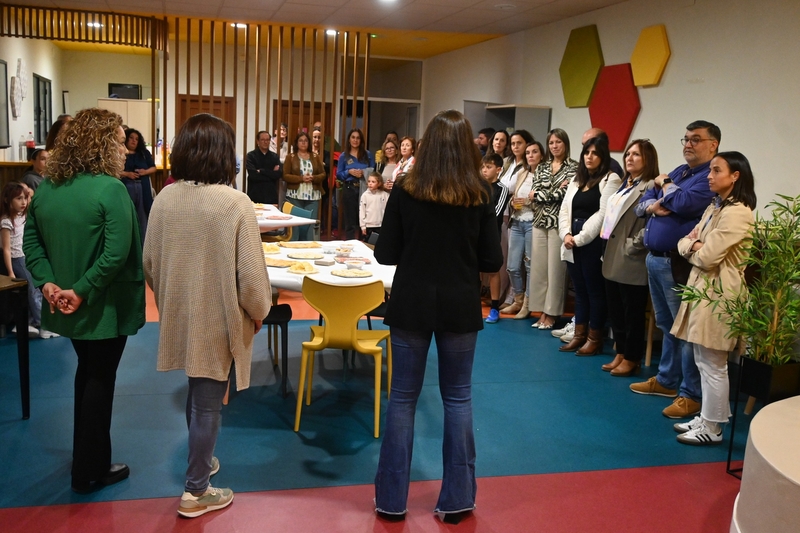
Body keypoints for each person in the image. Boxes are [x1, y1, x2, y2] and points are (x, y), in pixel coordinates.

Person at [374, 110, 503, 524]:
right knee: (458, 398)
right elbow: (491, 259)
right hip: (459, 304)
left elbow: (385, 254)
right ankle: (458, 499)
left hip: (410, 303)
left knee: (402, 400)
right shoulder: (481, 194)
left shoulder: (407, 190)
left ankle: (392, 501)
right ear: (469, 147)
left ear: (426, 145)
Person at [143, 113, 271, 518]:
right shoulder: (235, 202)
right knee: (208, 402)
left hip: (179, 311)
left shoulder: (164, 197)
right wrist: (259, 311)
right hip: (219, 314)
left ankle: (202, 461)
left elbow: (149, 262)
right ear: (224, 153)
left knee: (198, 392)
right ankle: (196, 490)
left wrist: (170, 298)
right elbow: (251, 277)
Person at [23, 107, 145, 494]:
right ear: (100, 144)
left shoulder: (48, 188)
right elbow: (117, 252)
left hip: (65, 302)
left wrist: (47, 285)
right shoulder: (110, 188)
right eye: (117, 141)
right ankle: (90, 470)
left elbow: (31, 244)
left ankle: (86, 460)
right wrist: (82, 289)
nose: (125, 149)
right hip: (103, 305)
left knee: (87, 374)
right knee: (99, 380)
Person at [630, 120, 720, 420]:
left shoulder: (707, 178)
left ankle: (689, 393)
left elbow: (682, 201)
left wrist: (664, 187)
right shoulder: (680, 172)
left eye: (696, 139)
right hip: (654, 258)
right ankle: (667, 381)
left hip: (677, 263)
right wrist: (654, 204)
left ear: (713, 145)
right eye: (686, 138)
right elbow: (641, 204)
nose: (688, 144)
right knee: (667, 325)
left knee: (685, 329)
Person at [670, 151, 757, 445]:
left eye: (716, 171)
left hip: (720, 293)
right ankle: (707, 417)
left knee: (713, 362)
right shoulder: (714, 207)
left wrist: (694, 246)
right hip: (702, 289)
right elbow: (683, 241)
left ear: (735, 176)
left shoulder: (738, 212)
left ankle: (714, 428)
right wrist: (693, 245)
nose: (709, 175)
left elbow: (707, 257)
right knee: (701, 358)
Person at [599, 139, 659, 375]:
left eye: (636, 155)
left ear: (648, 160)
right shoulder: (625, 183)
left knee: (631, 312)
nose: (630, 158)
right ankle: (621, 352)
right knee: (615, 310)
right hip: (611, 254)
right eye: (628, 154)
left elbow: (652, 223)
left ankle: (631, 357)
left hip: (631, 257)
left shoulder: (651, 186)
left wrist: (631, 245)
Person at [558, 135, 621, 355]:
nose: (589, 157)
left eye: (594, 153)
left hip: (592, 242)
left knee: (594, 291)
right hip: (571, 240)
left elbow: (603, 214)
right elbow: (565, 209)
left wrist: (579, 238)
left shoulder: (610, 179)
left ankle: (594, 338)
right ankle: (579, 334)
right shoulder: (578, 179)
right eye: (586, 152)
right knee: (579, 291)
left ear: (603, 156)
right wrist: (566, 233)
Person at [529, 129, 577, 329]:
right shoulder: (542, 167)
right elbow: (534, 191)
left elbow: (565, 194)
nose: (554, 146)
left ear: (565, 143)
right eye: (551, 143)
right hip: (539, 221)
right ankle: (541, 311)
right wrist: (551, 192)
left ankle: (552, 313)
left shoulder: (574, 167)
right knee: (539, 269)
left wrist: (542, 193)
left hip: (559, 224)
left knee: (556, 271)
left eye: (558, 142)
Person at [1, 182, 57, 338]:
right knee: (34, 291)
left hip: (27, 257)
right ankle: (44, 325)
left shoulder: (23, 216)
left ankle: (28, 322)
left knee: (32, 291)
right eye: (19, 198)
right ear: (7, 200)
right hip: (18, 259)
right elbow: (6, 248)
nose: (23, 202)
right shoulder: (6, 221)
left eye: (25, 198)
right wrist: (10, 271)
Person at [498, 130, 534, 316]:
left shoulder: (530, 169)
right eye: (513, 143)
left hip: (526, 218)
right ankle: (512, 297)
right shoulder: (508, 163)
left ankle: (520, 300)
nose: (516, 147)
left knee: (524, 263)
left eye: (519, 143)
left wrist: (516, 199)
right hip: (509, 214)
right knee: (509, 262)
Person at [506, 142, 542, 321]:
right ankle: (518, 298)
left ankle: (527, 304)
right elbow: (514, 195)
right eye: (528, 153)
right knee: (512, 266)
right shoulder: (523, 173)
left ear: (541, 155)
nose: (530, 155)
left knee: (529, 265)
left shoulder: (543, 176)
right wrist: (514, 202)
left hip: (532, 223)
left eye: (534, 152)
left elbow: (543, 201)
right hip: (517, 220)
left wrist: (527, 202)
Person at [481, 153, 510, 324]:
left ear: (498, 170)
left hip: (491, 235)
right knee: (474, 269)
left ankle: (494, 307)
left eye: (489, 167)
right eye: (483, 167)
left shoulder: (502, 188)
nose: (484, 170)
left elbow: (496, 214)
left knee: (493, 270)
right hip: (474, 234)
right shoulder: (477, 186)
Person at [283, 132, 326, 240]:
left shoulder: (315, 157)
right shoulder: (290, 157)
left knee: (310, 224)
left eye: (306, 141)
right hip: (295, 195)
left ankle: (309, 249)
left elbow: (323, 174)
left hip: (312, 196)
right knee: (296, 225)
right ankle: (293, 248)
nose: (303, 143)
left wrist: (313, 178)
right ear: (296, 143)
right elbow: (285, 175)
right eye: (301, 140)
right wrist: (301, 178)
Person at [336, 128, 373, 240]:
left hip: (365, 189)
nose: (355, 140)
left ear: (361, 140)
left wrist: (364, 173)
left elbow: (373, 171)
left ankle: (364, 243)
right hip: (349, 188)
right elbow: (338, 174)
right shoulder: (344, 156)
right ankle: (350, 245)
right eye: (353, 137)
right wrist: (349, 172)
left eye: (358, 138)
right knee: (350, 221)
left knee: (364, 220)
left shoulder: (367, 154)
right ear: (349, 140)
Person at [120, 128, 156, 239]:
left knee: (143, 215)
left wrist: (145, 172)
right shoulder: (121, 153)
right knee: (128, 215)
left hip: (142, 186)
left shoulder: (143, 153)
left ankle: (143, 244)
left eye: (136, 139)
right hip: (127, 186)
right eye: (131, 138)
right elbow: (115, 171)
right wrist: (127, 174)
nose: (134, 141)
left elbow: (153, 168)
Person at [246, 131, 282, 205]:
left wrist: (262, 171)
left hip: (271, 195)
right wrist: (271, 173)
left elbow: (278, 175)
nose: (265, 142)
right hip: (255, 194)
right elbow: (253, 175)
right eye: (263, 140)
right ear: (258, 141)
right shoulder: (251, 156)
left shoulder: (274, 156)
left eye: (267, 140)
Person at [359, 171, 390, 240]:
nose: (370, 184)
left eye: (373, 182)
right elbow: (362, 211)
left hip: (380, 226)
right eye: (369, 181)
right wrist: (363, 226)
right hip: (369, 226)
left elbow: (387, 210)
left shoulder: (385, 195)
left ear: (379, 183)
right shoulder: (365, 195)